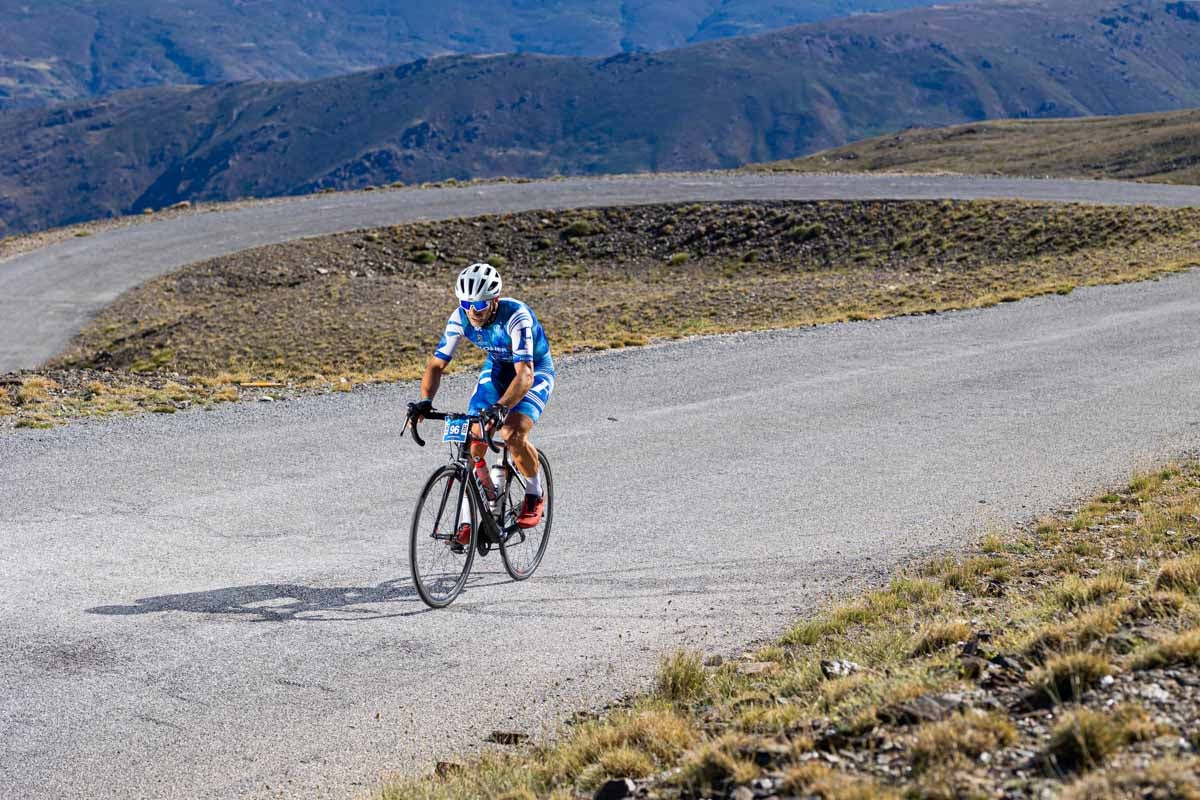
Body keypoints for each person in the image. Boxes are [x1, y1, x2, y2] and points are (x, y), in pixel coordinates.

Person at [409, 262, 554, 548]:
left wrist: (501, 408)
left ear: (495, 300)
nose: (473, 310)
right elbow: (437, 364)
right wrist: (425, 401)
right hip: (498, 370)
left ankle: (535, 492)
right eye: (467, 303)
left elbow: (525, 374)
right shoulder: (459, 318)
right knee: (472, 441)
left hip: (532, 372)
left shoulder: (517, 317)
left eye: (482, 303)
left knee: (511, 433)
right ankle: (474, 515)